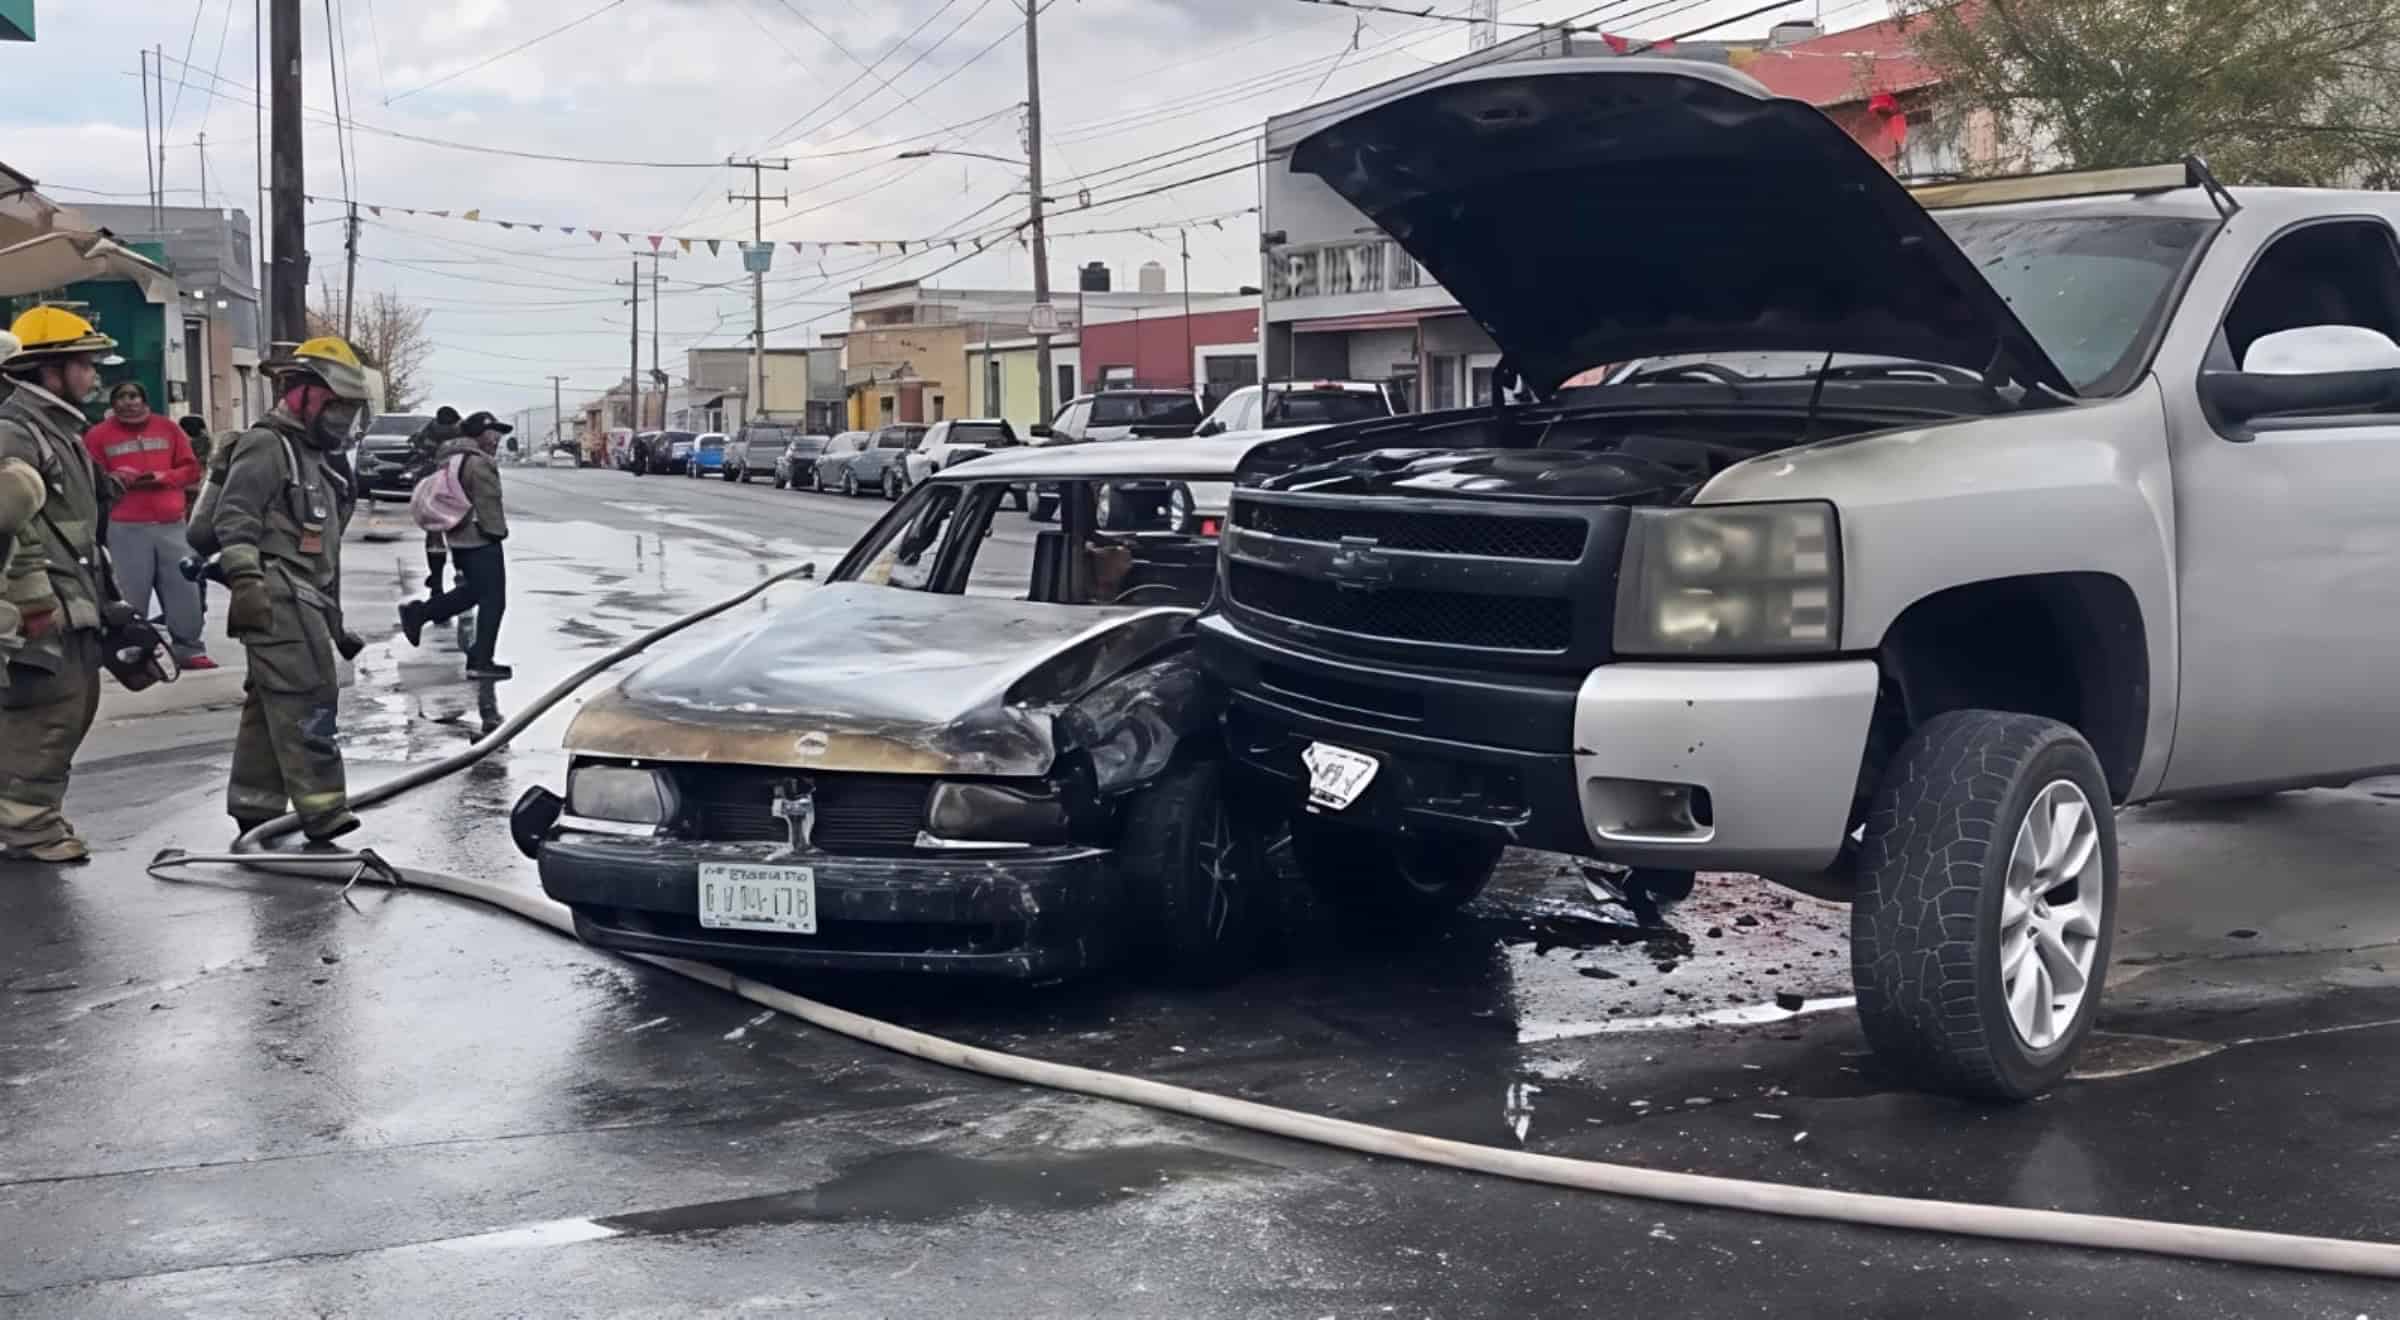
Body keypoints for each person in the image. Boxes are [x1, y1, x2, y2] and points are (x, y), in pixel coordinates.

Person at [193, 336, 370, 843]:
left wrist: (334, 618)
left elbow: (320, 549)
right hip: (276, 596)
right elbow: (235, 518)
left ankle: (255, 805)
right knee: (308, 697)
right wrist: (247, 582)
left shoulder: (313, 457)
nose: (341, 417)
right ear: (300, 393)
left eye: (348, 407)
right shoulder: (267, 446)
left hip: (303, 599)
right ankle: (324, 810)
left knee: (268, 700)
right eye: (334, 403)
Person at [0, 308, 137, 864]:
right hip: (39, 605)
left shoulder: (58, 429)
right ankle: (28, 829)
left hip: (73, 600)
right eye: (85, 363)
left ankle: (32, 817)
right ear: (48, 369)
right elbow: (10, 515)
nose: (95, 377)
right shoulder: (16, 430)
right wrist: (32, 599)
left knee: (72, 707)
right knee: (47, 714)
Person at [83, 382, 215, 670]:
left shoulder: (168, 429)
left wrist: (163, 477)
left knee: (184, 588)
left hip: (172, 525)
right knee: (130, 593)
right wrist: (117, 479)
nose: (128, 402)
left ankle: (189, 649)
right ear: (113, 403)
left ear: (144, 400)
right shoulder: (98, 436)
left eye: (134, 396)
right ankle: (132, 651)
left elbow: (190, 468)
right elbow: (89, 478)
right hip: (126, 526)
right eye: (121, 397)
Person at [400, 410, 512, 680]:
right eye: (492, 433)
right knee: (494, 600)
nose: (496, 439)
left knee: (473, 593)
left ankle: (420, 613)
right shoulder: (479, 463)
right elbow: (489, 504)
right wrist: (497, 534)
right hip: (480, 538)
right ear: (479, 435)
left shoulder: (453, 458)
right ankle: (481, 660)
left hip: (459, 537)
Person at [408, 405, 462, 593]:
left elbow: (415, 451)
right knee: (458, 535)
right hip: (456, 488)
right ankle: (459, 574)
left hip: (432, 488)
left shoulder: (428, 431)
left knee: (435, 535)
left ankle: (437, 578)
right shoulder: (462, 433)